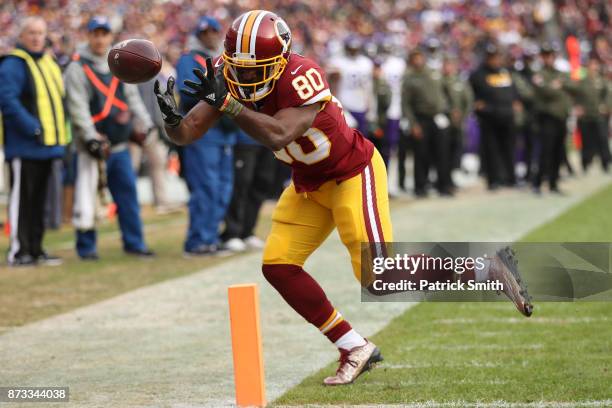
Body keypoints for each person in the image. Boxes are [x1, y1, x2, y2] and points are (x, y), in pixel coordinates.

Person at [155, 10, 533, 385]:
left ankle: (487, 269)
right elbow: (189, 132)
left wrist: (231, 105)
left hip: (352, 172)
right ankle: (354, 346)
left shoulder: (302, 75)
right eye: (239, 68)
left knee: (380, 277)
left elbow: (278, 135)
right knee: (278, 265)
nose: (246, 76)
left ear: (282, 59)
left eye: (257, 69)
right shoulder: (231, 71)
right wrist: (172, 119)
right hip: (309, 182)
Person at [65, 16, 155, 259]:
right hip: (92, 147)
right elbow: (77, 106)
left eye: (104, 34)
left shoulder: (119, 63)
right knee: (87, 198)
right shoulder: (77, 66)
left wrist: (145, 123)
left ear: (110, 37)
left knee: (128, 197)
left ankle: (135, 244)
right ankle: (86, 248)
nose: (100, 38)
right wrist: (90, 137)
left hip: (119, 145)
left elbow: (132, 97)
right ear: (89, 35)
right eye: (96, 33)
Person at [0, 16, 68, 266]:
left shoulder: (48, 61)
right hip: (24, 146)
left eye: (40, 32)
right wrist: (32, 127)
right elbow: (7, 100)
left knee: (39, 203)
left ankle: (36, 248)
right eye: (31, 32)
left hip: (48, 147)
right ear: (21, 36)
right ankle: (19, 251)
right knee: (22, 201)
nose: (37, 37)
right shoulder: (14, 64)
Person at [176, 15, 236, 256]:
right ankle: (198, 240)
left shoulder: (225, 60)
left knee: (223, 188)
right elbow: (187, 91)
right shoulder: (190, 59)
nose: (210, 35)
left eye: (213, 31)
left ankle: (210, 236)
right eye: (205, 32)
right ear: (199, 35)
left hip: (226, 132)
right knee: (206, 187)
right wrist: (215, 95)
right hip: (203, 133)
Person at [401, 48, 453, 197]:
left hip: (438, 117)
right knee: (421, 154)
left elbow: (447, 91)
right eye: (415, 58)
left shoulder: (434, 72)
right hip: (421, 118)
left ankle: (444, 185)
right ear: (411, 61)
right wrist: (413, 124)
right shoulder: (409, 78)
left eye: (420, 57)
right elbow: (406, 104)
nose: (418, 61)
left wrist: (448, 110)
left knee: (442, 152)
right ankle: (420, 187)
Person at [469, 44, 520, 190]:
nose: (495, 60)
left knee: (509, 149)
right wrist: (479, 106)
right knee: (491, 150)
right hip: (489, 118)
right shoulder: (478, 74)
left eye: (496, 57)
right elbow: (474, 95)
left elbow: (513, 91)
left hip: (507, 116)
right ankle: (494, 180)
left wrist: (516, 101)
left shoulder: (505, 72)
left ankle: (510, 178)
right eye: (491, 57)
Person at [530, 44, 575, 194]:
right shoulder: (539, 73)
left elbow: (573, 86)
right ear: (542, 57)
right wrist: (557, 86)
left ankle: (553, 183)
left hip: (561, 117)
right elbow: (545, 90)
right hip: (547, 117)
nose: (548, 58)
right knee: (545, 151)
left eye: (550, 55)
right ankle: (537, 183)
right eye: (545, 55)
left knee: (558, 151)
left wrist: (559, 85)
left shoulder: (560, 73)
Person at [328, 36, 375, 140]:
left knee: (362, 140)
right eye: (351, 49)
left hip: (361, 105)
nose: (353, 52)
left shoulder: (366, 63)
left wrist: (371, 108)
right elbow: (330, 84)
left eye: (355, 49)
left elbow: (369, 87)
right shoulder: (338, 62)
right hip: (344, 106)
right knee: (345, 140)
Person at [573, 56, 609, 172]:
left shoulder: (602, 81)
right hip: (585, 116)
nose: (593, 67)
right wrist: (577, 108)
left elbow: (608, 95)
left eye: (595, 65)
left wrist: (606, 107)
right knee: (586, 141)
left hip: (599, 115)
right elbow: (575, 96)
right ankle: (585, 163)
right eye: (591, 65)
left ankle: (606, 163)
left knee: (602, 139)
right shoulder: (582, 82)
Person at [442, 56, 473, 173]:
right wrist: (450, 112)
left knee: (456, 149)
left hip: (458, 123)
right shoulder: (439, 81)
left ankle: (451, 175)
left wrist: (462, 116)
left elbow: (468, 101)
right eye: (445, 65)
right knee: (442, 151)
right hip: (444, 122)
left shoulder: (460, 82)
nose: (447, 68)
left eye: (450, 65)